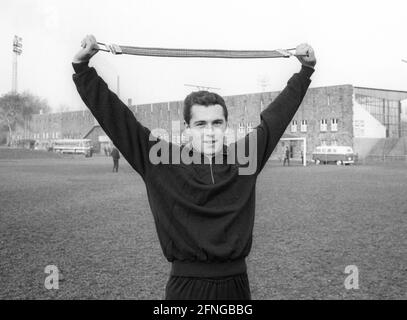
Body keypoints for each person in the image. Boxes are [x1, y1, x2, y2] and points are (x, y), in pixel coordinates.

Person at [72, 35, 316, 300]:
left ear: (225, 125)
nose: (210, 132)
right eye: (201, 124)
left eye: (217, 123)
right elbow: (118, 120)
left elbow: (276, 118)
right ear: (187, 128)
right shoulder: (161, 160)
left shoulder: (245, 158)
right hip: (185, 288)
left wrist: (305, 72)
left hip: (236, 287)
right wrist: (83, 71)